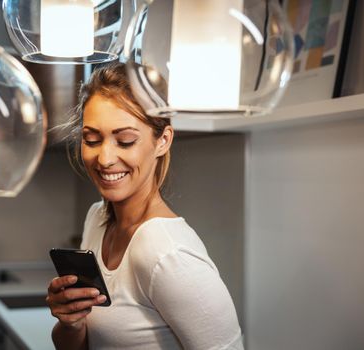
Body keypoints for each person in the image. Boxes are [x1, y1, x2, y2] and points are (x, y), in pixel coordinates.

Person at [46, 63, 244, 350]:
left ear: (162, 140)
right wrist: (70, 322)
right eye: (92, 139)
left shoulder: (168, 254)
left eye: (125, 141)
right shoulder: (97, 218)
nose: (104, 158)